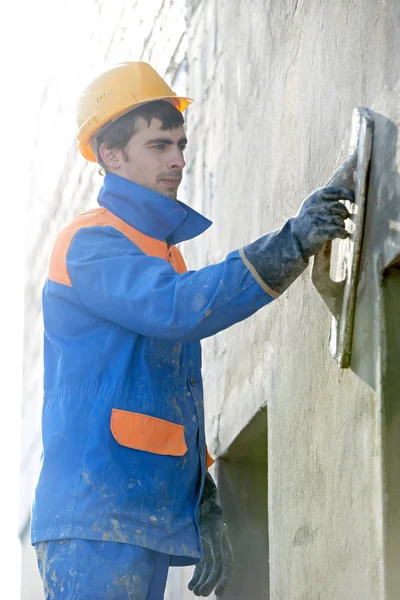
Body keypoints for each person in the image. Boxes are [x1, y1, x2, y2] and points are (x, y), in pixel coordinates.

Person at [31, 61, 355, 599]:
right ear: (111, 155)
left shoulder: (161, 257)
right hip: (93, 521)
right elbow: (179, 308)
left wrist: (201, 500)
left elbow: (167, 401)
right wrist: (292, 242)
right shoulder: (90, 245)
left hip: (137, 519)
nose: (179, 160)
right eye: (159, 145)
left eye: (181, 144)